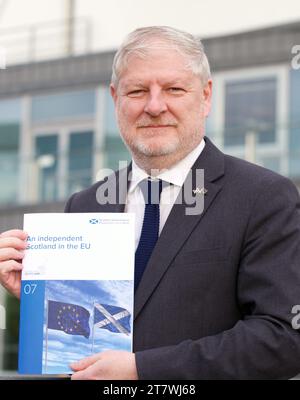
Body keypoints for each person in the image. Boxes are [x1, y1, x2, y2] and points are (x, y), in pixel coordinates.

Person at [1, 26, 300, 380]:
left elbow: (284, 337)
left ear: (205, 97)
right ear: (116, 98)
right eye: (138, 91)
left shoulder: (263, 198)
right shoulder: (85, 206)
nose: (155, 106)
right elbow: (86, 336)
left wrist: (144, 370)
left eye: (174, 89)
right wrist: (40, 295)